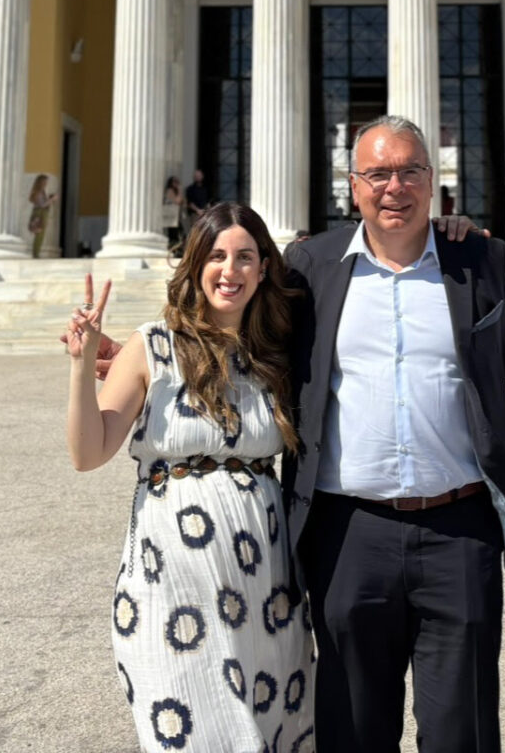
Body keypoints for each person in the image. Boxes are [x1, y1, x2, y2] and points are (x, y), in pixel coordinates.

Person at [286, 114, 505, 753]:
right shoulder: (309, 266)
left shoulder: (480, 260)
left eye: (410, 171)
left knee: (463, 730)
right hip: (347, 533)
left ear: (432, 182)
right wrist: (142, 362)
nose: (395, 187)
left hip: (458, 533)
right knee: (352, 730)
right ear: (352, 185)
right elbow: (246, 346)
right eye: (378, 173)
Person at [64, 204, 314, 753]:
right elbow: (88, 453)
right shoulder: (152, 345)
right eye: (217, 256)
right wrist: (82, 368)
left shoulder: (277, 353)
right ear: (195, 264)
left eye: (245, 257)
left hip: (265, 587)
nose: (230, 270)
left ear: (263, 268)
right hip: (171, 583)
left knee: (271, 731)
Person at [27, 174, 58, 259]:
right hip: (39, 214)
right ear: (40, 183)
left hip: (41, 213)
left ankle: (36, 253)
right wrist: (52, 199)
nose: (45, 184)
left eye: (46, 182)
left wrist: (49, 199)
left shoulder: (41, 192)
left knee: (40, 235)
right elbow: (42, 205)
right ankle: (35, 254)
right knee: (39, 234)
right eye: (44, 182)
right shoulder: (38, 193)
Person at [161, 176, 185, 257]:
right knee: (175, 235)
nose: (177, 184)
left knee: (179, 235)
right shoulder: (170, 191)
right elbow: (178, 201)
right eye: (175, 182)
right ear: (171, 183)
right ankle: (174, 251)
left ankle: (176, 250)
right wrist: (180, 190)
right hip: (172, 218)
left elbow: (182, 202)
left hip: (175, 218)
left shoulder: (175, 191)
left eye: (177, 182)